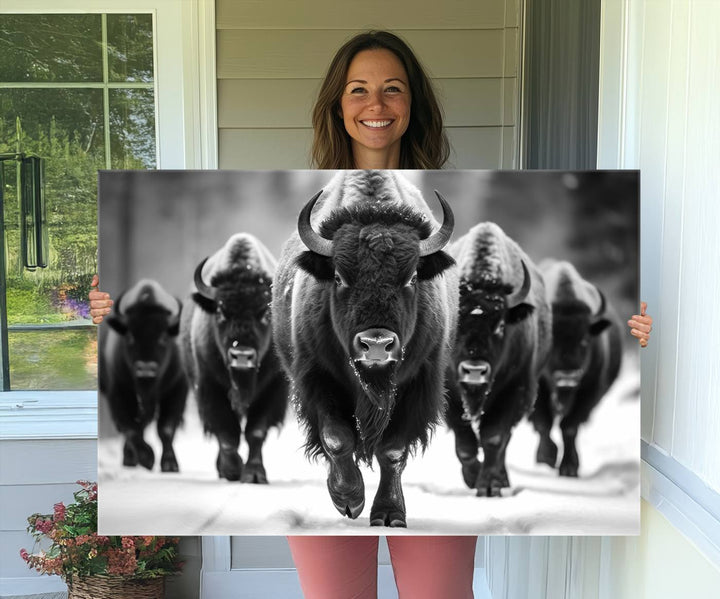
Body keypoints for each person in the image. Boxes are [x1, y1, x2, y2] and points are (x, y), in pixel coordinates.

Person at [89, 30, 653, 599]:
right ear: (337, 104)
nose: (376, 105)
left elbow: (431, 370)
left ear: (414, 104)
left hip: (407, 366)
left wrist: (648, 332)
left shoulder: (435, 239)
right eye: (358, 90)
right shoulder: (309, 244)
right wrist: (100, 315)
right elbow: (304, 367)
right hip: (331, 365)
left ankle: (392, 477)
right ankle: (337, 450)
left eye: (393, 89)